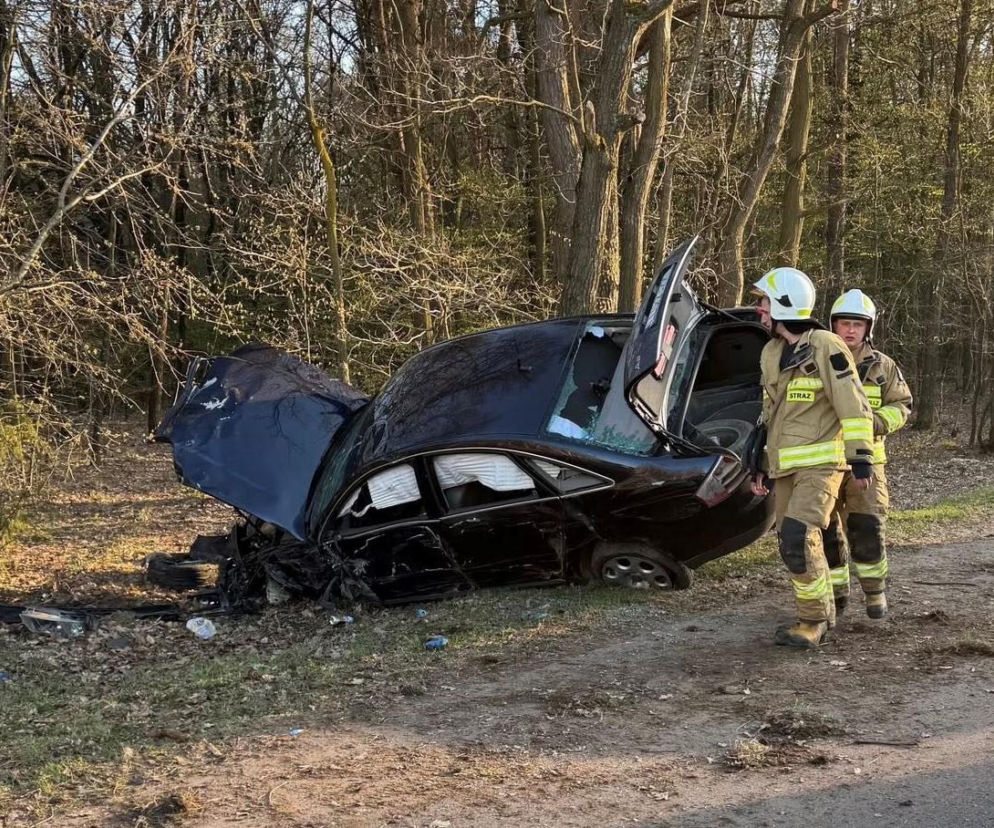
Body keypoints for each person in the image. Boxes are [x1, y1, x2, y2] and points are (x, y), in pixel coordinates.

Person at [750, 268, 875, 648]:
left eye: (764, 302)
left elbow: (853, 403)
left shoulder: (825, 345)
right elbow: (769, 410)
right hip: (786, 466)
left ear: (784, 303)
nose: (759, 310)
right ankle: (822, 612)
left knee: (797, 535)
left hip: (823, 463)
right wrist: (759, 459)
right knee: (792, 544)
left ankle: (813, 622)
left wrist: (861, 457)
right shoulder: (771, 351)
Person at [821, 289, 913, 619]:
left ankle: (875, 594)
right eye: (844, 323)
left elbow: (902, 405)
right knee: (825, 531)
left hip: (869, 466)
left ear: (868, 328)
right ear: (832, 325)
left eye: (857, 325)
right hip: (825, 462)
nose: (850, 330)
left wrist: (875, 423)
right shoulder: (815, 361)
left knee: (866, 528)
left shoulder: (883, 367)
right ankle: (837, 595)